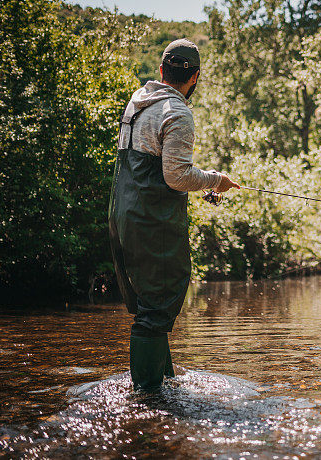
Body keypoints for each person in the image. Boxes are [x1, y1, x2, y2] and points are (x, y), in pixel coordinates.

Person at [108, 38, 239, 391]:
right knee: (157, 308)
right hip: (152, 223)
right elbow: (176, 176)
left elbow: (155, 169)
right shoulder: (177, 112)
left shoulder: (137, 101)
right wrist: (217, 180)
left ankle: (164, 380)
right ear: (194, 77)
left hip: (122, 215)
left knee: (151, 305)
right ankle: (147, 398)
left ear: (162, 69)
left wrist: (205, 183)